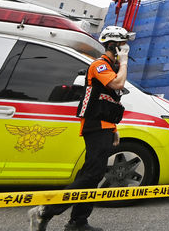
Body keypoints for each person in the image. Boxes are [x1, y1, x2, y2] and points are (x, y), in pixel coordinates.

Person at [28, 25, 133, 231]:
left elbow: (109, 100)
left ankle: (78, 221)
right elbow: (117, 85)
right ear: (113, 45)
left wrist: (113, 128)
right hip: (95, 126)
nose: (126, 48)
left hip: (104, 125)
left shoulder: (111, 68)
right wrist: (125, 62)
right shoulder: (100, 65)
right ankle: (44, 211)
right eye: (123, 44)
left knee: (91, 174)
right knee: (92, 174)